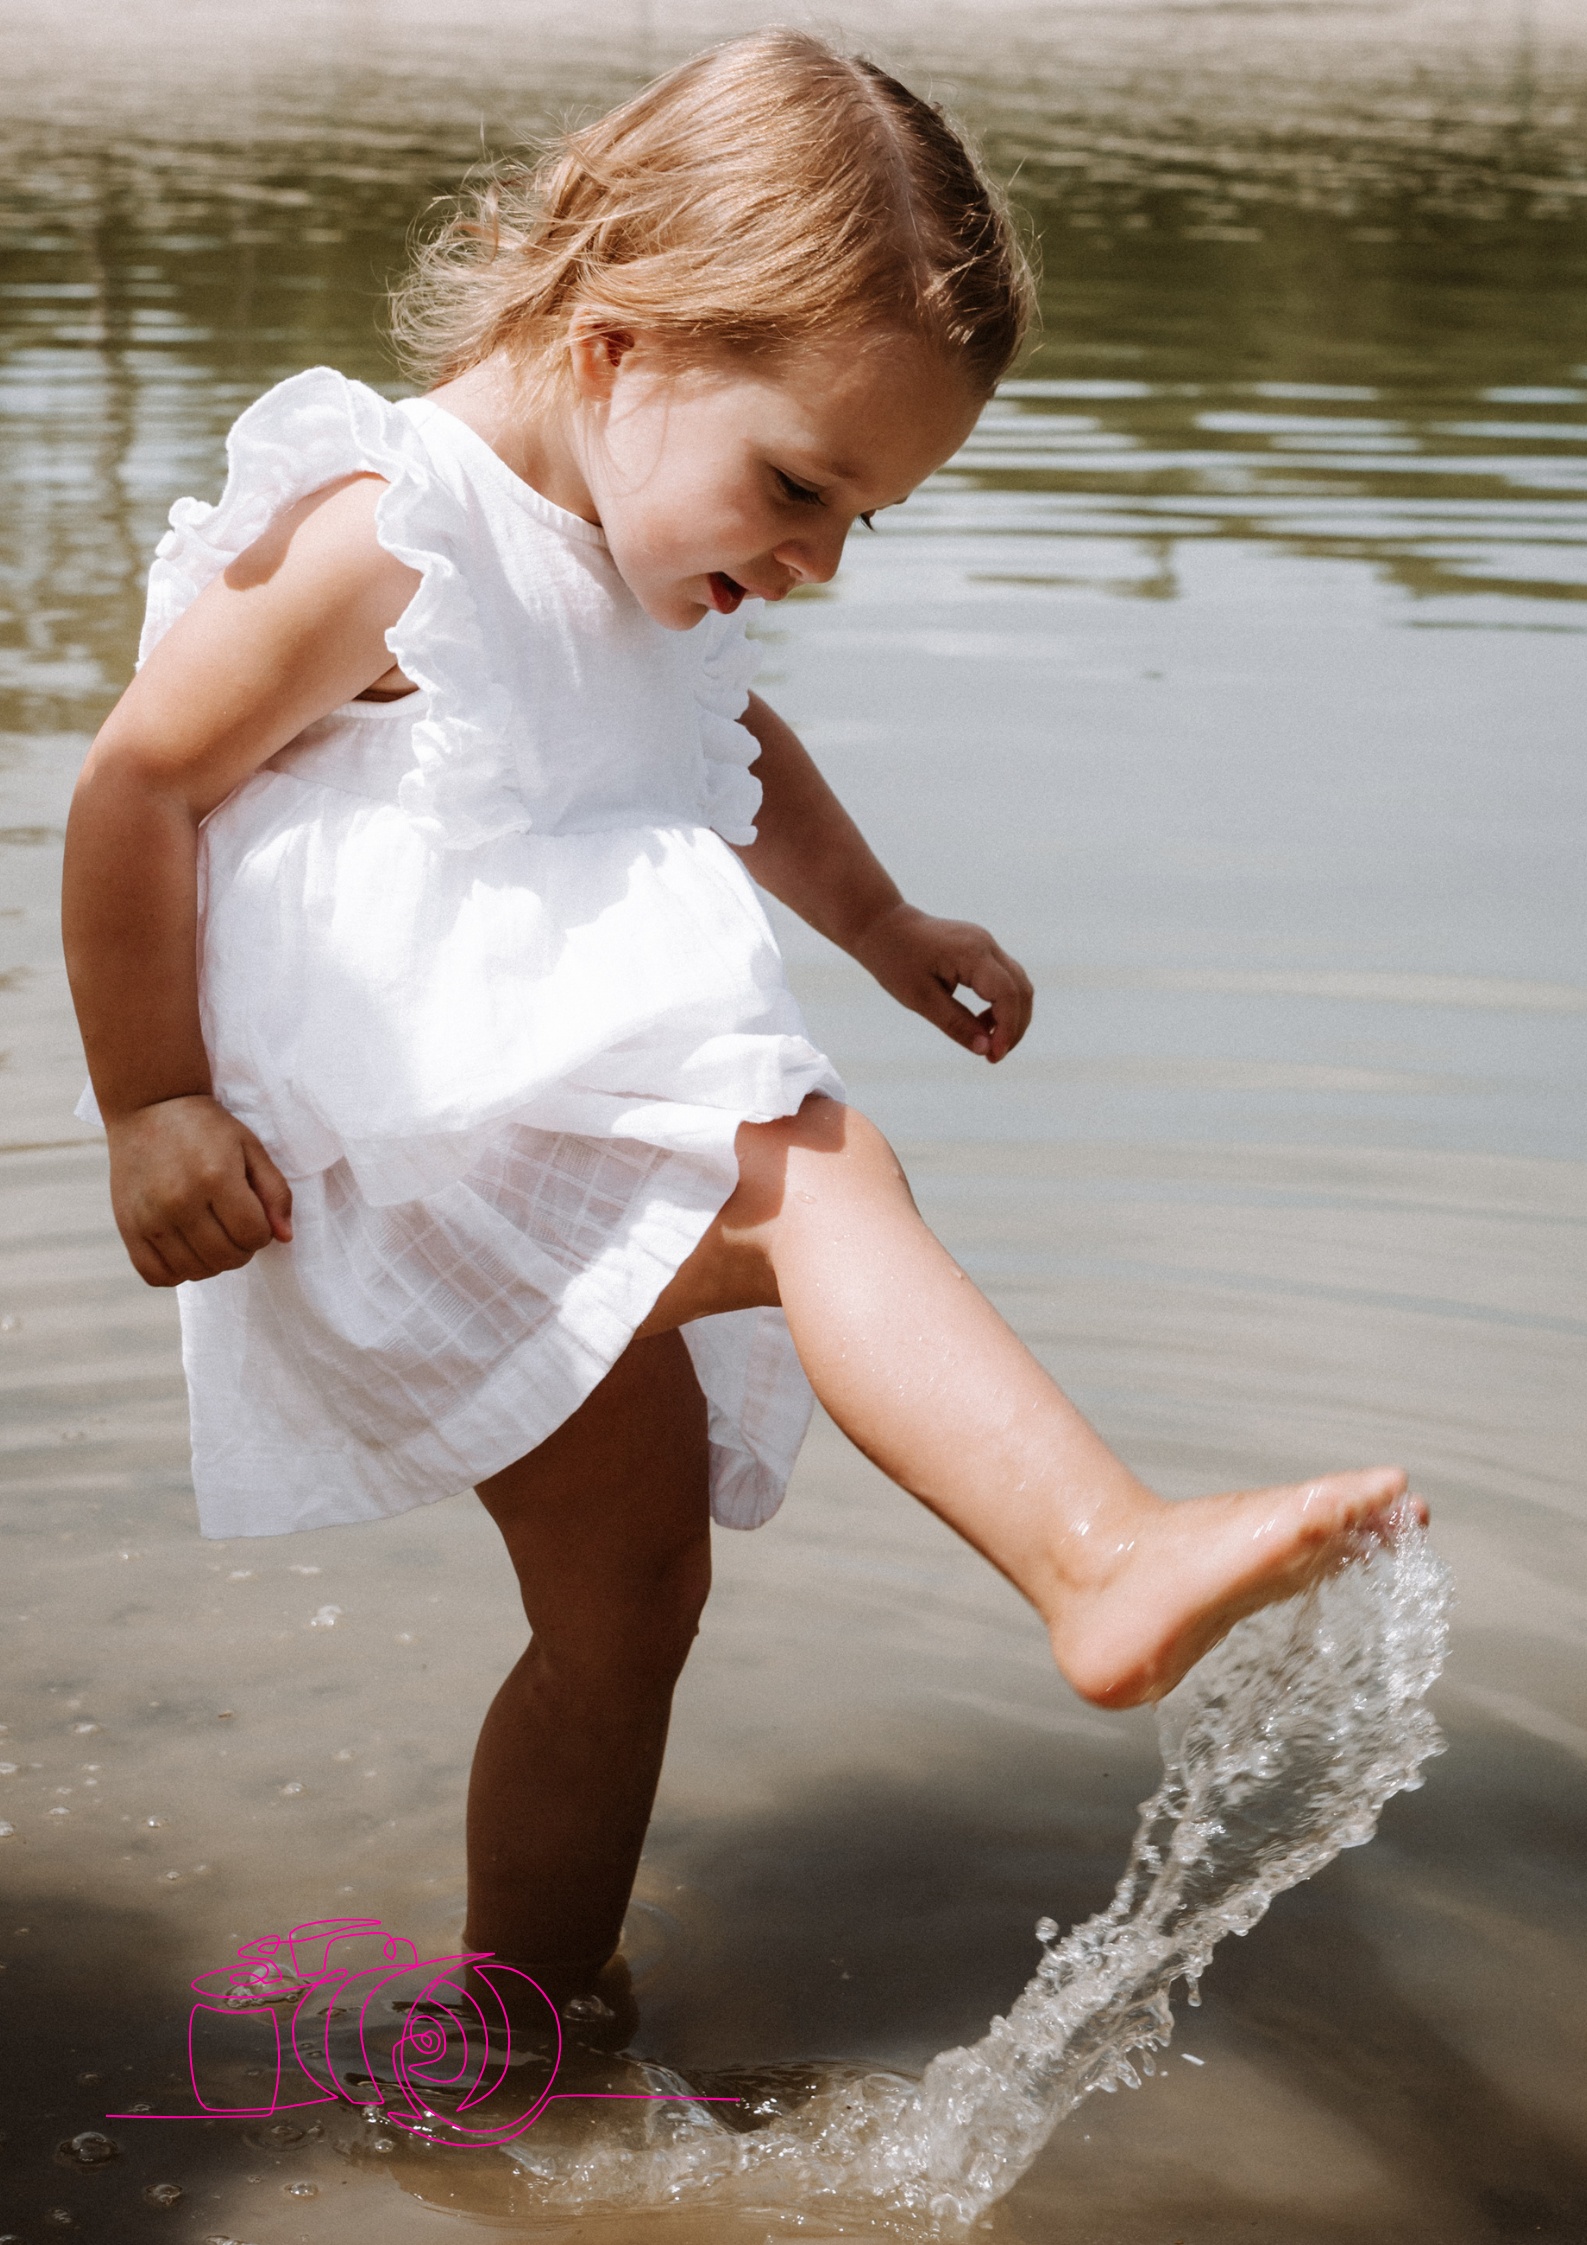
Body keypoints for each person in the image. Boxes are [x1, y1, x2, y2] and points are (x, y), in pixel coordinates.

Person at [61, 31, 1417, 2032]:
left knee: (629, 1602)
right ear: (620, 345)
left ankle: (524, 2014)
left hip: (528, 1118)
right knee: (802, 1172)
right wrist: (150, 1098)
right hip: (391, 1136)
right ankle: (1095, 1553)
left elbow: (724, 745)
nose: (815, 559)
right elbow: (137, 781)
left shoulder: (638, 553)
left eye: (864, 517)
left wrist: (880, 922)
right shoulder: (390, 527)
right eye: (798, 487)